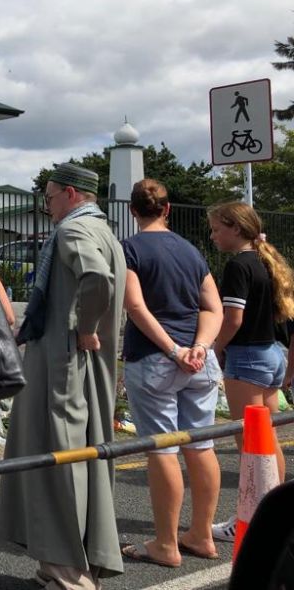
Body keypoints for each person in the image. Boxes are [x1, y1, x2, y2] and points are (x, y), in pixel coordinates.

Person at [0, 163, 126, 590]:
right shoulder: (104, 231)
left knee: (61, 458)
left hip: (62, 365)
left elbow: (96, 279)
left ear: (70, 194)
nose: (46, 207)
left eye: (49, 198)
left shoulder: (73, 232)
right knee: (80, 454)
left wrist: (84, 328)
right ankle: (62, 564)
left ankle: (71, 574)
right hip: (81, 366)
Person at [119, 179, 223, 567]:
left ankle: (166, 544)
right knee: (202, 444)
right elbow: (213, 307)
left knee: (163, 448)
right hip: (200, 361)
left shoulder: (129, 248)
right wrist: (200, 346)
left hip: (155, 359)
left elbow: (135, 306)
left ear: (133, 211)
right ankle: (201, 534)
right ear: (168, 209)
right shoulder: (191, 250)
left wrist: (174, 349)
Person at [206, 201, 294, 542]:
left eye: (216, 229)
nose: (213, 236)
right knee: (269, 440)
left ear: (236, 229)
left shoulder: (238, 266)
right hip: (272, 354)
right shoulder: (267, 262)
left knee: (251, 445)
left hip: (247, 358)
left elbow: (233, 318)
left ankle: (256, 518)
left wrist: (215, 348)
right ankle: (278, 515)